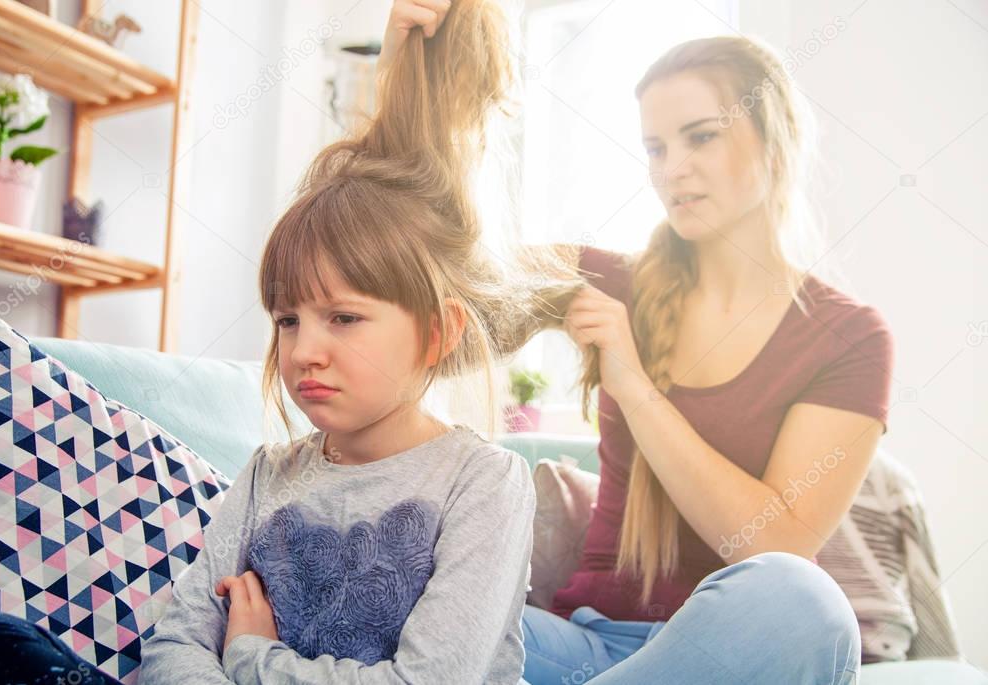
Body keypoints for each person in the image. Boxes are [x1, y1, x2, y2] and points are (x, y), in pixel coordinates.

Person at [0, 2, 563, 683]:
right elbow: (175, 644)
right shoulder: (263, 476)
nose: (304, 349)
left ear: (438, 332)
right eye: (286, 319)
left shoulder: (484, 482)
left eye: (342, 318)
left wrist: (252, 656)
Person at [381, 3, 893, 683]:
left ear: (775, 140)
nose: (671, 169)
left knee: (805, 603)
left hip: (735, 654)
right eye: (655, 148)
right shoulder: (604, 278)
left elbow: (774, 542)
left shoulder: (849, 338)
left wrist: (633, 383)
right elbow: (419, 312)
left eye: (701, 137)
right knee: (389, 596)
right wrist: (404, 87)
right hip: (578, 651)